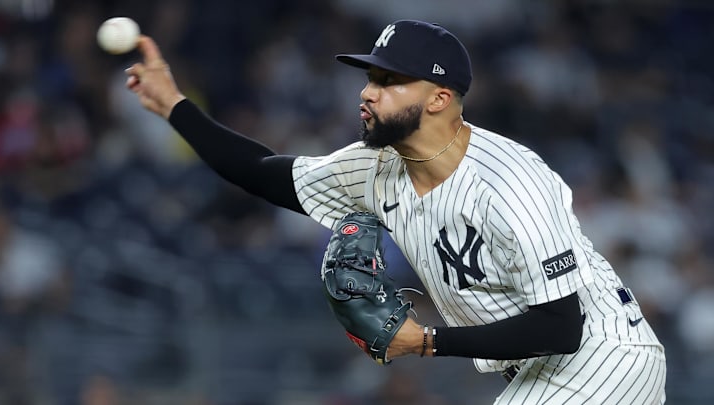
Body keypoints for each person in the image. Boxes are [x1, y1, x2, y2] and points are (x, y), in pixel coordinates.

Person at [125, 19, 666, 404]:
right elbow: (263, 171)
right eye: (369, 78)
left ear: (439, 99)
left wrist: (427, 341)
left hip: (605, 358)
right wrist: (174, 106)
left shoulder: (509, 181)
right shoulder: (376, 167)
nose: (366, 92)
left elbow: (562, 326)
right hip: (543, 374)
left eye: (387, 81)